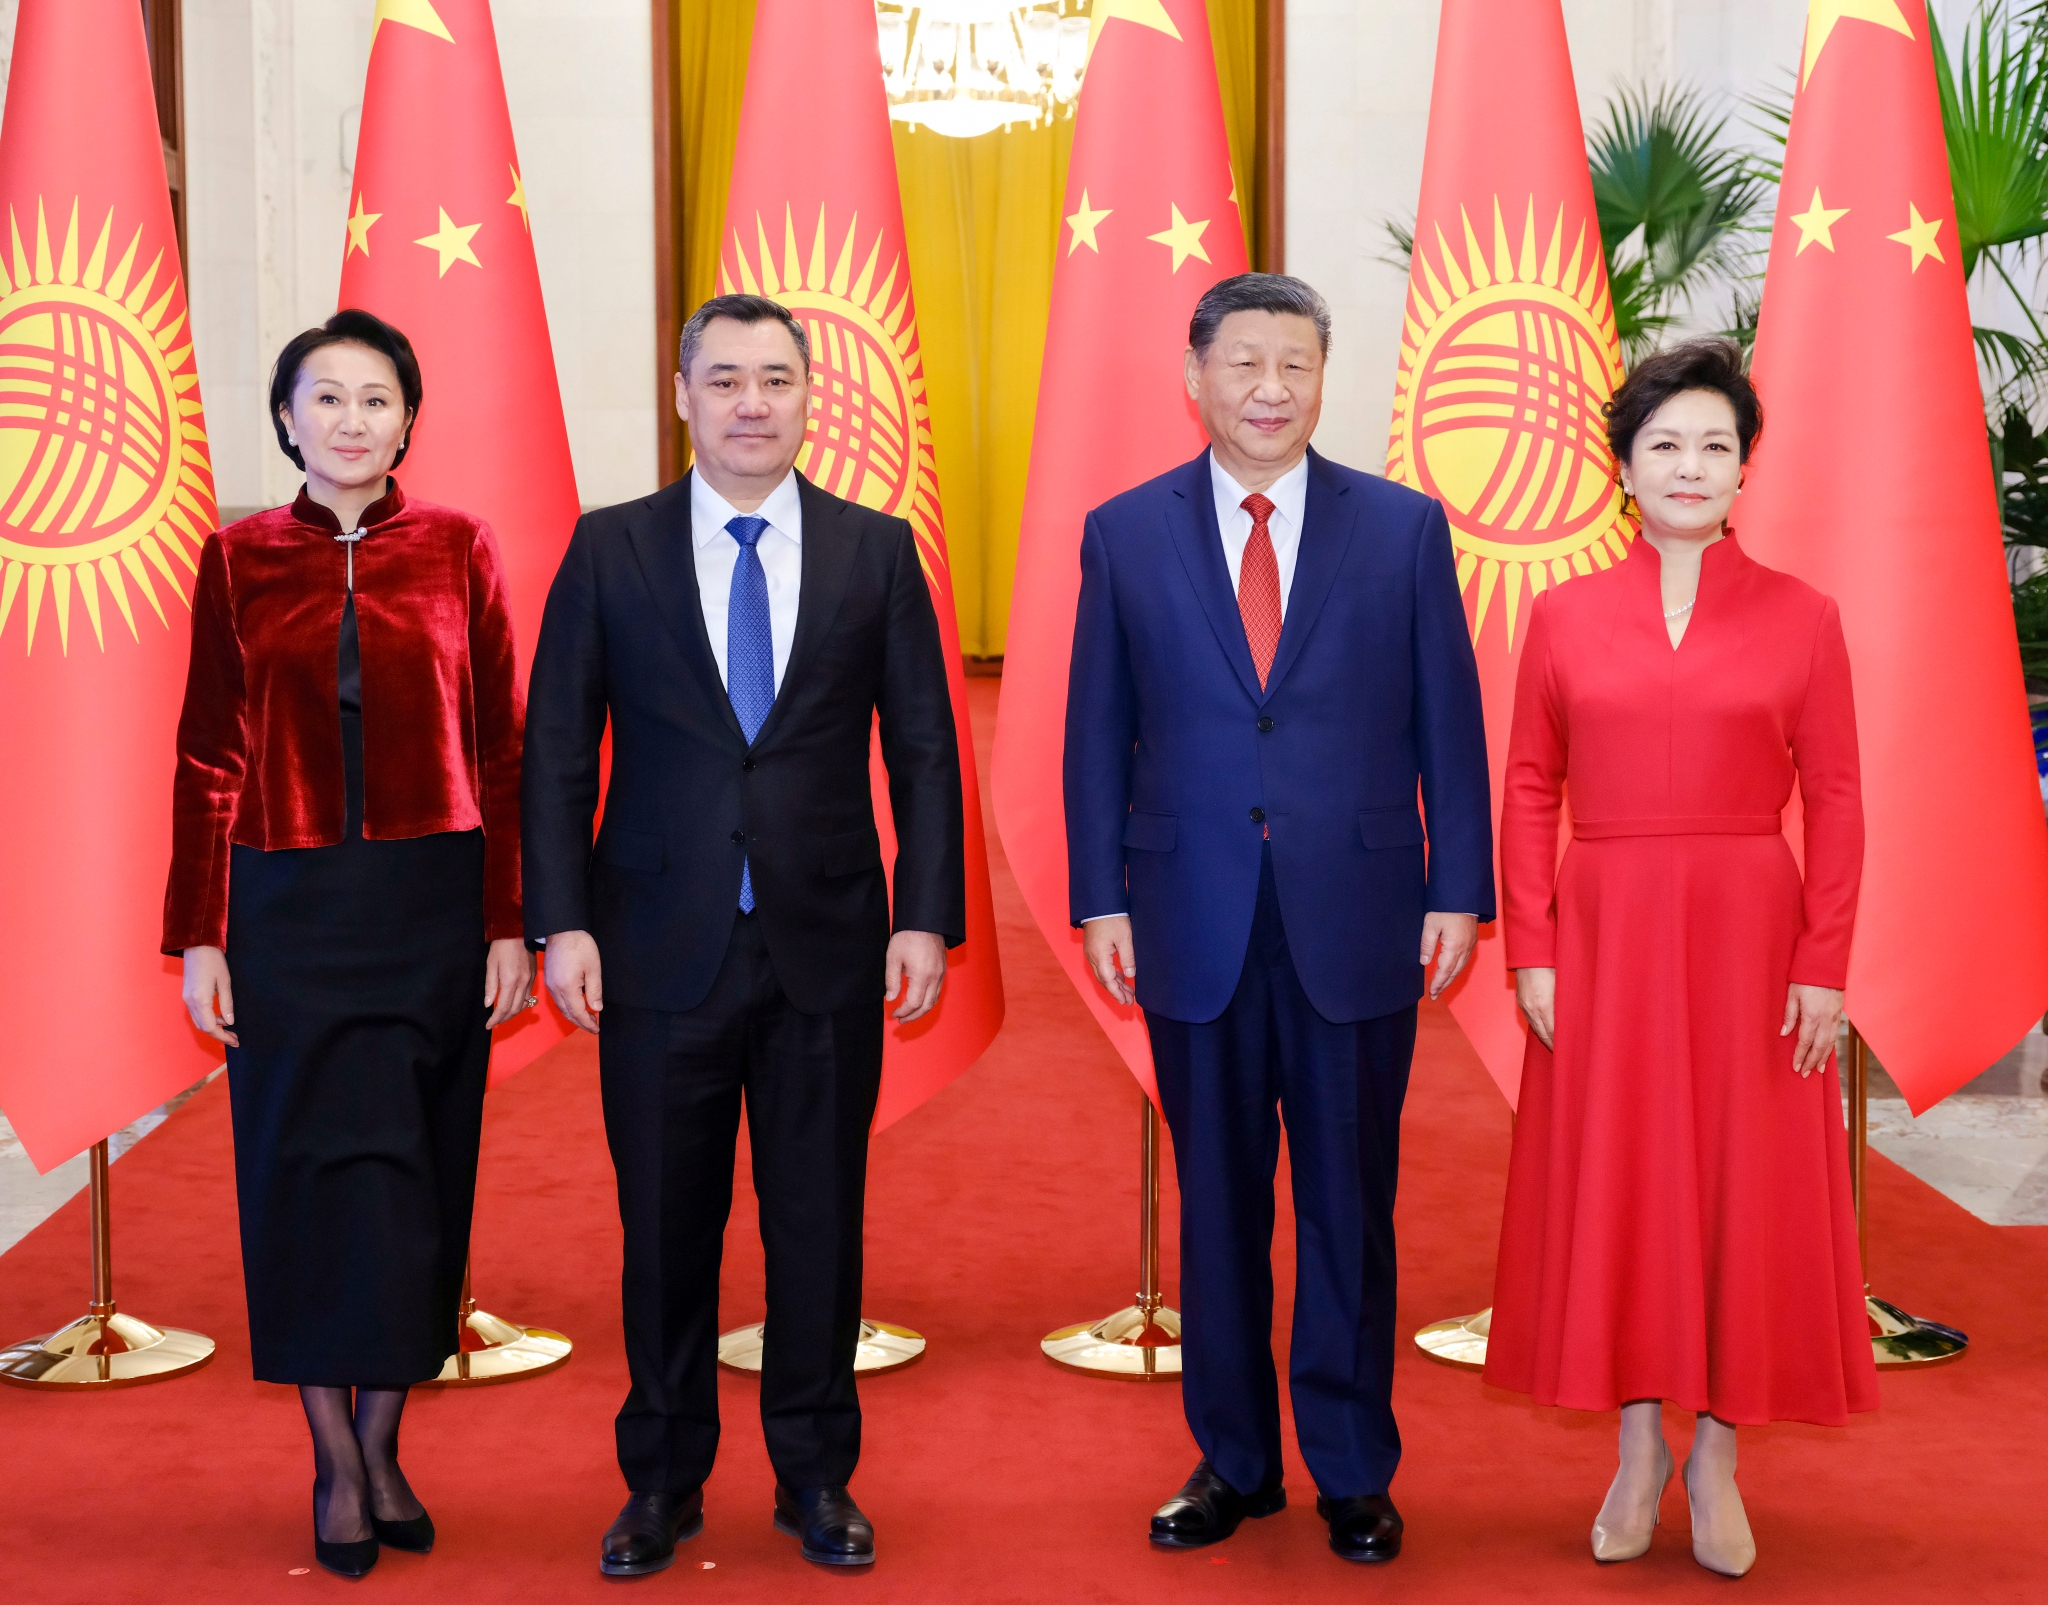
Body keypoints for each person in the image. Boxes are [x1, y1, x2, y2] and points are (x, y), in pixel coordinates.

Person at [522, 293, 964, 1577]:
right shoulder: (609, 549)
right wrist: (560, 921)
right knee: (665, 1228)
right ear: (681, 398)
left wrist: (924, 915)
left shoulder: (876, 551)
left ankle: (816, 1477)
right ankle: (660, 1481)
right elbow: (557, 751)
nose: (751, 403)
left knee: (817, 1223)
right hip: (654, 946)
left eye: (775, 378)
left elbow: (924, 751)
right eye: (723, 380)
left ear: (809, 395)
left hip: (826, 941)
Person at [1064, 273, 1494, 1564]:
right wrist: (1098, 895)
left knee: (1349, 1204)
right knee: (1219, 1203)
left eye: (1294, 364)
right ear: (1193, 377)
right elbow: (1095, 730)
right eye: (1243, 362)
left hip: (1356, 914)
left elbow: (1448, 721)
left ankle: (1352, 1466)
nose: (1268, 388)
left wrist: (1457, 886)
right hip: (1187, 913)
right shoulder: (1124, 532)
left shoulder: (1401, 529)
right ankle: (1234, 1459)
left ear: (1321, 378)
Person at [1483, 339, 1877, 1578]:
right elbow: (1527, 787)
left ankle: (1714, 1454)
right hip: (1600, 933)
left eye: (1714, 444)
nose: (1689, 465)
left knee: (1735, 1186)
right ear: (1621, 467)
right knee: (1622, 1181)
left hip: (1750, 937)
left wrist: (1821, 964)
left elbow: (1838, 800)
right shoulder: (1561, 614)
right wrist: (1532, 946)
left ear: (1745, 465)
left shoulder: (1802, 616)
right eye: (1663, 444)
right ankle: (1634, 1447)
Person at [164, 310, 534, 1579]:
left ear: (408, 419)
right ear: (286, 418)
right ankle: (334, 1458)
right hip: (286, 911)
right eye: (325, 398)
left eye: (376, 399)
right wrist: (200, 936)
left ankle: (385, 1443)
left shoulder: (459, 546)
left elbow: (503, 745)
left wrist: (508, 919)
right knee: (302, 1177)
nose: (351, 420)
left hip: (431, 906)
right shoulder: (236, 558)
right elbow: (206, 755)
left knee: (417, 1174)